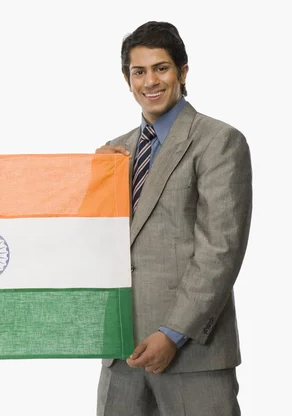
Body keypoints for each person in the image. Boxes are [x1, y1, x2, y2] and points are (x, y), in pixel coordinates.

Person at [95, 21, 252, 415]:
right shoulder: (114, 153)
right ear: (127, 79)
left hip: (192, 356)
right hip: (121, 353)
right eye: (139, 71)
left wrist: (173, 334)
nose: (150, 81)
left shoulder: (219, 141)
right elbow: (92, 246)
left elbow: (221, 250)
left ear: (182, 72)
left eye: (161, 68)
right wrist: (90, 182)